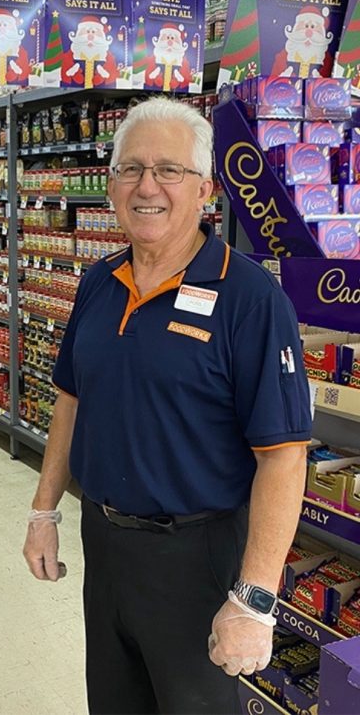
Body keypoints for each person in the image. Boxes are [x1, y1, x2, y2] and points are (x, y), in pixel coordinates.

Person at [22, 97, 312, 714]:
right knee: (114, 702)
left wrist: (255, 597)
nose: (147, 186)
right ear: (110, 186)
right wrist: (44, 511)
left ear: (205, 188)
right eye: (131, 169)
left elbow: (284, 456)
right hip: (104, 541)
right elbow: (71, 398)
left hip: (197, 558)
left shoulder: (250, 299)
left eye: (169, 170)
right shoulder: (98, 283)